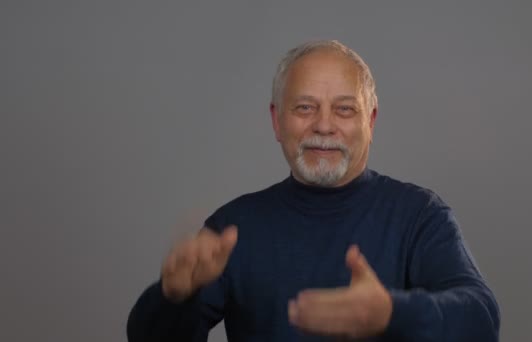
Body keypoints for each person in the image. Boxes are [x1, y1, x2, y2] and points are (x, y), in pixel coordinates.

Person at [127, 40, 500, 342]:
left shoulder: (420, 215)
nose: (324, 125)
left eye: (344, 110)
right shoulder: (234, 228)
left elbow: (481, 320)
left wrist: (391, 312)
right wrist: (171, 299)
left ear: (370, 121)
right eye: (305, 107)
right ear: (277, 121)